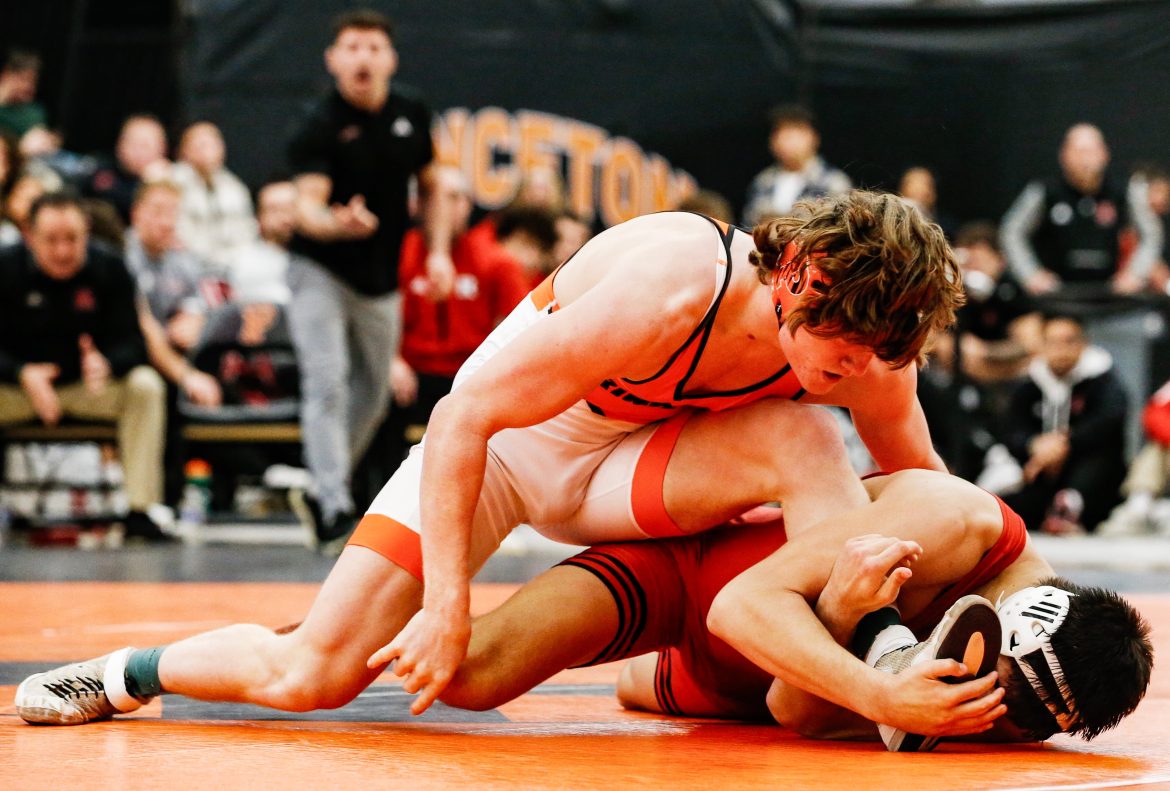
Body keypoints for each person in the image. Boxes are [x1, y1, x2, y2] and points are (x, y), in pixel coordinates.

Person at [10, 189, 963, 726]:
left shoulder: (874, 355)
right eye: (843, 350)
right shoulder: (674, 284)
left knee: (807, 436)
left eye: (884, 357)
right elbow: (462, 415)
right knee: (313, 673)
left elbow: (930, 503)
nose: (860, 373)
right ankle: (130, 672)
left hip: (636, 471)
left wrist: (998, 604)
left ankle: (855, 666)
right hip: (503, 450)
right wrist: (445, 602)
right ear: (799, 278)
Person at [428, 469, 1151, 751]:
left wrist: (839, 617)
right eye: (998, 690)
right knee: (469, 674)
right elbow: (741, 605)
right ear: (1025, 612)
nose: (991, 712)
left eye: (1010, 719)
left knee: (631, 688)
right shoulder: (950, 521)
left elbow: (794, 709)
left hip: (745, 691)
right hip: (689, 583)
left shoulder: (1037, 694)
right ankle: (325, 637)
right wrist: (877, 690)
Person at [284, 9, 449, 545]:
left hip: (381, 276)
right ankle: (333, 502)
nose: (363, 57)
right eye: (352, 47)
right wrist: (335, 223)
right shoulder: (318, 123)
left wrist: (439, 253)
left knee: (375, 393)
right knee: (327, 378)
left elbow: (432, 187)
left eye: (373, 47)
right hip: (320, 267)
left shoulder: (411, 112)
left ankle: (318, 487)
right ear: (333, 60)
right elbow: (305, 205)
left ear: (390, 59)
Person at [0, 192, 170, 541]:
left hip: (87, 389)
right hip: (18, 390)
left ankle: (140, 509)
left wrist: (108, 363)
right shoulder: (5, 268)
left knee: (145, 385)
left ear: (88, 232)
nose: (63, 251)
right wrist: (21, 373)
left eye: (72, 239)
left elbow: (135, 344)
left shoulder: (110, 266)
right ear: (29, 236)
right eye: (51, 240)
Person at [386, 164, 529, 464]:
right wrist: (390, 361)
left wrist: (489, 371)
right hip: (411, 375)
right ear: (421, 204)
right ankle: (371, 498)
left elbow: (523, 326)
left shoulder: (495, 260)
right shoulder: (398, 254)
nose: (455, 207)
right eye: (446, 198)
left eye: (462, 198)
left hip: (468, 374)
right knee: (375, 393)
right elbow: (373, 321)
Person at [1001, 312, 1128, 534]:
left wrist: (1063, 443)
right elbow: (1011, 430)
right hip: (1041, 471)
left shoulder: (1102, 379)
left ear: (1084, 344)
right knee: (1012, 501)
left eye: (1069, 341)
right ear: (1042, 345)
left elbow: (1108, 421)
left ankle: (1070, 506)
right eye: (1053, 342)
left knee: (1100, 463)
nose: (1061, 349)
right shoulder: (1029, 384)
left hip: (1089, 472)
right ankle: (1055, 512)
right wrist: (1034, 445)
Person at [1000, 123, 1162, 296]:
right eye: (1078, 151)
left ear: (1104, 154)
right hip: (1055, 294)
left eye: (1091, 151)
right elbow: (1011, 231)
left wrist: (1136, 273)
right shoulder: (1044, 191)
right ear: (1063, 155)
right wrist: (1030, 274)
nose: (1085, 159)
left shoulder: (1125, 191)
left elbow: (1151, 233)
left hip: (1109, 294)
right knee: (1036, 325)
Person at [172, 121, 257, 276]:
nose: (206, 150)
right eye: (199, 144)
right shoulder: (171, 183)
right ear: (184, 150)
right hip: (187, 265)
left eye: (211, 144)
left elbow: (247, 232)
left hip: (234, 266)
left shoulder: (236, 188)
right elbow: (176, 233)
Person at [742, 105, 851, 226]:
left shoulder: (833, 182)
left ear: (814, 137)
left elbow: (841, 230)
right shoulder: (763, 181)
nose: (785, 141)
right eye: (779, 133)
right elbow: (748, 224)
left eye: (793, 134)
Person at [226, 180, 300, 306]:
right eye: (275, 210)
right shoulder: (246, 263)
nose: (285, 218)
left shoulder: (318, 261)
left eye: (291, 207)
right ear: (258, 217)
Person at [86, 114, 170, 224]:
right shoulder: (102, 171)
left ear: (162, 150)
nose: (138, 152)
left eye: (145, 146)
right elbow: (110, 204)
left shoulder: (173, 178)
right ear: (120, 145)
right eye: (133, 143)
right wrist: (149, 184)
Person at [0, 49, 47, 141]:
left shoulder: (34, 112)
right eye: (24, 79)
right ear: (6, 75)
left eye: (33, 81)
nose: (28, 87)